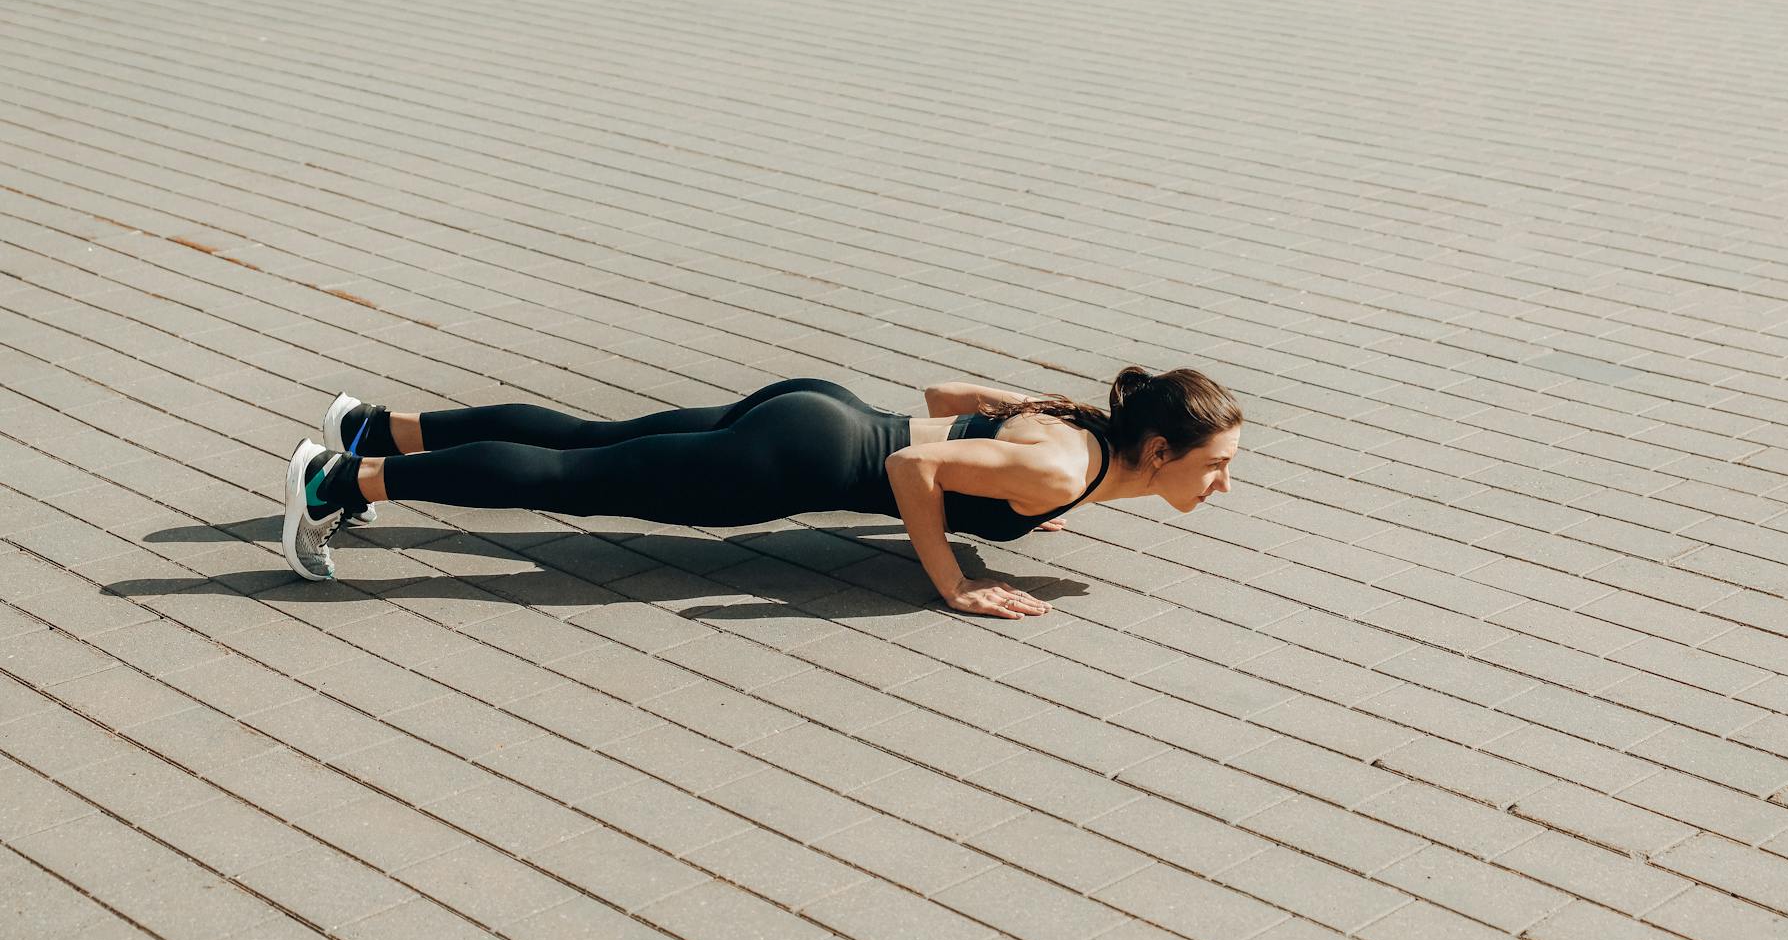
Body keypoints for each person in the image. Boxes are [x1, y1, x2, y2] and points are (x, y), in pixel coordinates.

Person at [281, 366, 1243, 619]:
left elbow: (941, 406)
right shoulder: (1063, 469)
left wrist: (1002, 405)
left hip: (815, 409)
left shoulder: (1068, 426)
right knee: (575, 478)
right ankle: (342, 480)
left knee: (587, 437)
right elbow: (914, 471)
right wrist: (950, 581)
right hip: (790, 463)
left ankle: (375, 429)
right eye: (1213, 464)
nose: (1223, 482)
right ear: (1157, 448)